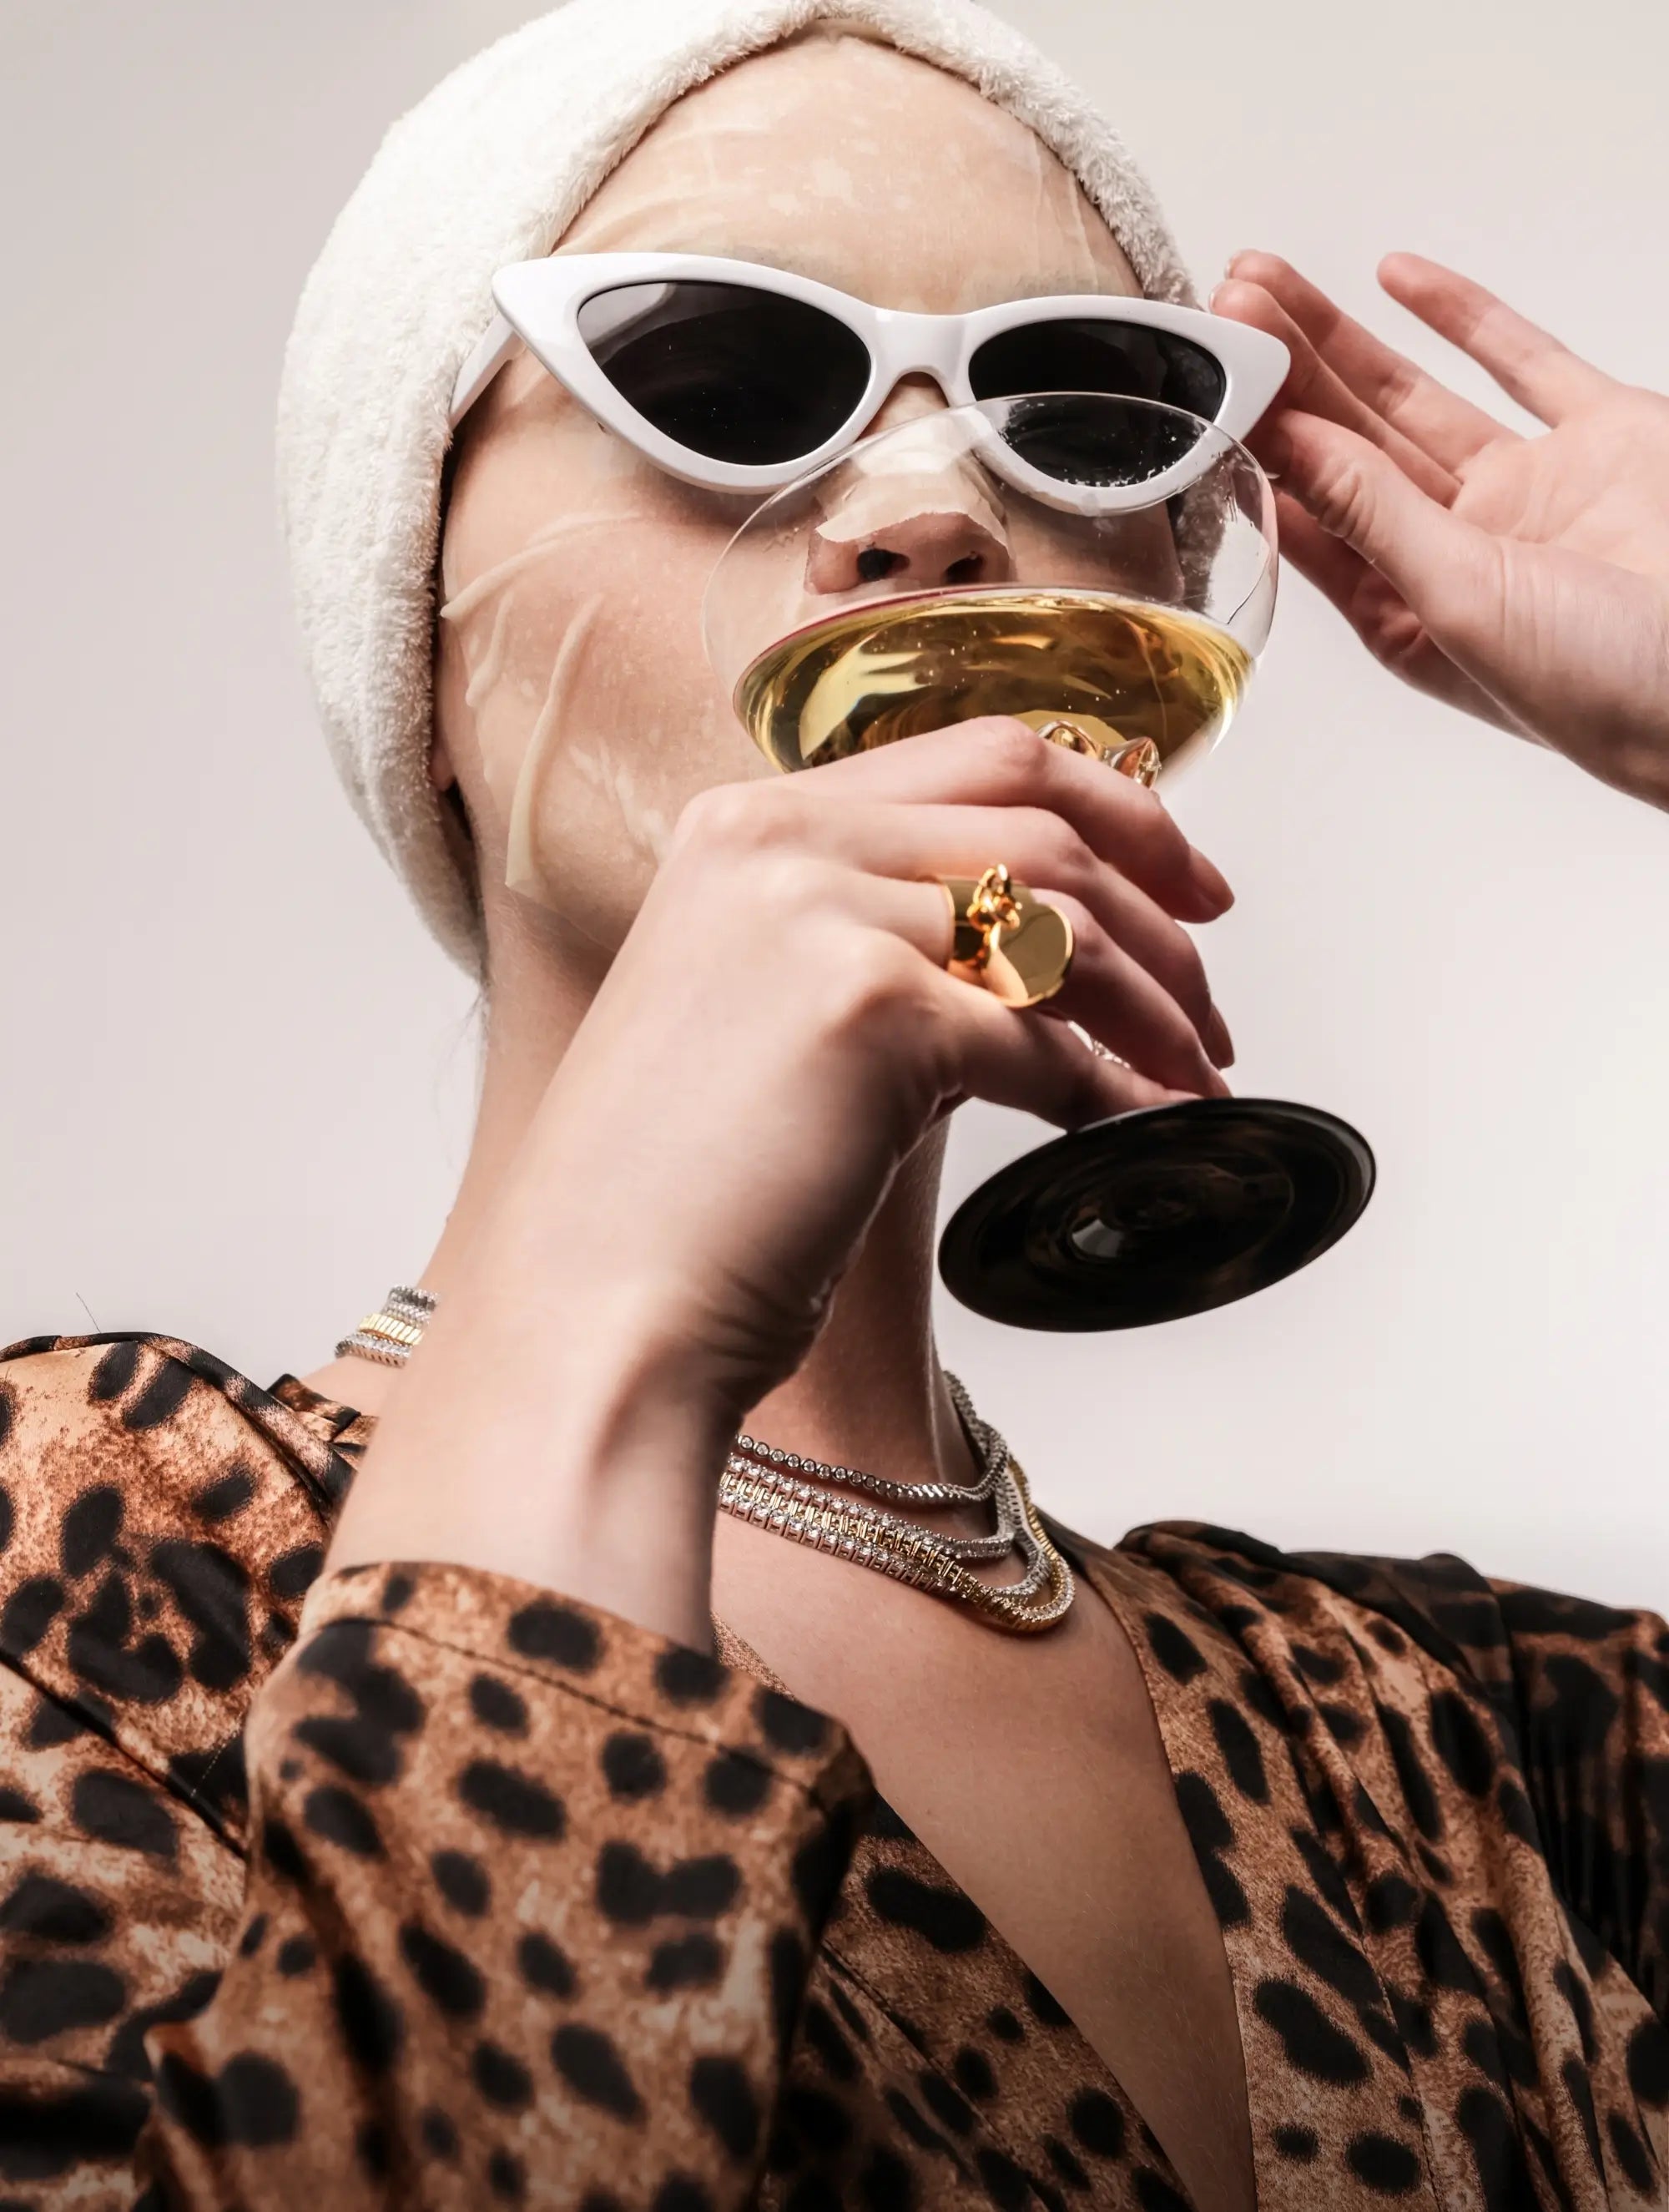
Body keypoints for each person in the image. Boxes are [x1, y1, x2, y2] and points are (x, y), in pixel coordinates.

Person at [1, 4, 1666, 2208]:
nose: (930, 509)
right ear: (411, 622)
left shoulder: (1455, 1754)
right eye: (720, 372)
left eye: (1078, 404)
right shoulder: (105, 1575)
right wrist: (601, 1334)